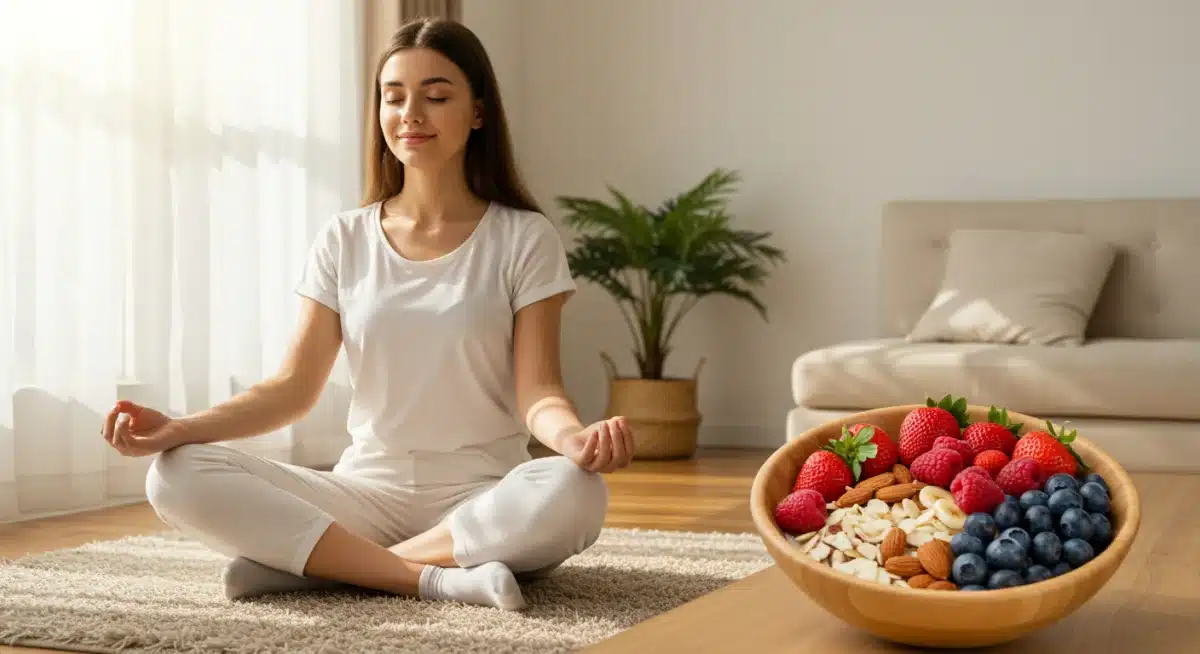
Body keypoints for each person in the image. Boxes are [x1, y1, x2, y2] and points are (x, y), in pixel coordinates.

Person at [99, 17, 634, 611]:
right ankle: (429, 577)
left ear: (478, 112)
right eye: (394, 96)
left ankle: (331, 568)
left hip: (481, 497)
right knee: (174, 474)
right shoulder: (344, 239)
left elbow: (539, 391)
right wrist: (178, 429)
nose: (411, 114)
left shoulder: (524, 238)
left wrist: (574, 438)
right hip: (362, 494)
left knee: (573, 491)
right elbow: (292, 390)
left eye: (435, 96)